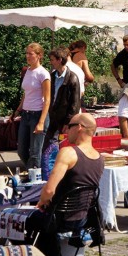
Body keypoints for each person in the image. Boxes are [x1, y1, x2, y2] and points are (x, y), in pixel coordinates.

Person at [33, 112, 104, 256]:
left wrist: (40, 202)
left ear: (79, 127)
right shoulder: (99, 158)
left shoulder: (68, 152)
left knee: (21, 219)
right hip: (82, 217)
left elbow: (49, 191)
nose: (66, 130)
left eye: (69, 126)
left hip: (60, 218)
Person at [42, 47, 82, 175]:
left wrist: (67, 122)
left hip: (64, 119)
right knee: (49, 148)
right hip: (53, 117)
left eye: (53, 60)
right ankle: (50, 174)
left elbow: (75, 104)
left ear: (60, 60)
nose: (51, 62)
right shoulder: (52, 76)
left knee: (60, 148)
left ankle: (58, 175)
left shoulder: (72, 78)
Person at [11, 43, 50, 170]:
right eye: (26, 53)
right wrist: (18, 110)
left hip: (38, 114)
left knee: (35, 152)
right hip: (26, 114)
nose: (27, 56)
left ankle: (35, 179)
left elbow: (47, 99)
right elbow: (26, 93)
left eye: (30, 54)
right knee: (21, 150)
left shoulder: (43, 74)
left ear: (39, 56)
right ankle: (33, 172)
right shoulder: (27, 71)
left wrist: (41, 122)